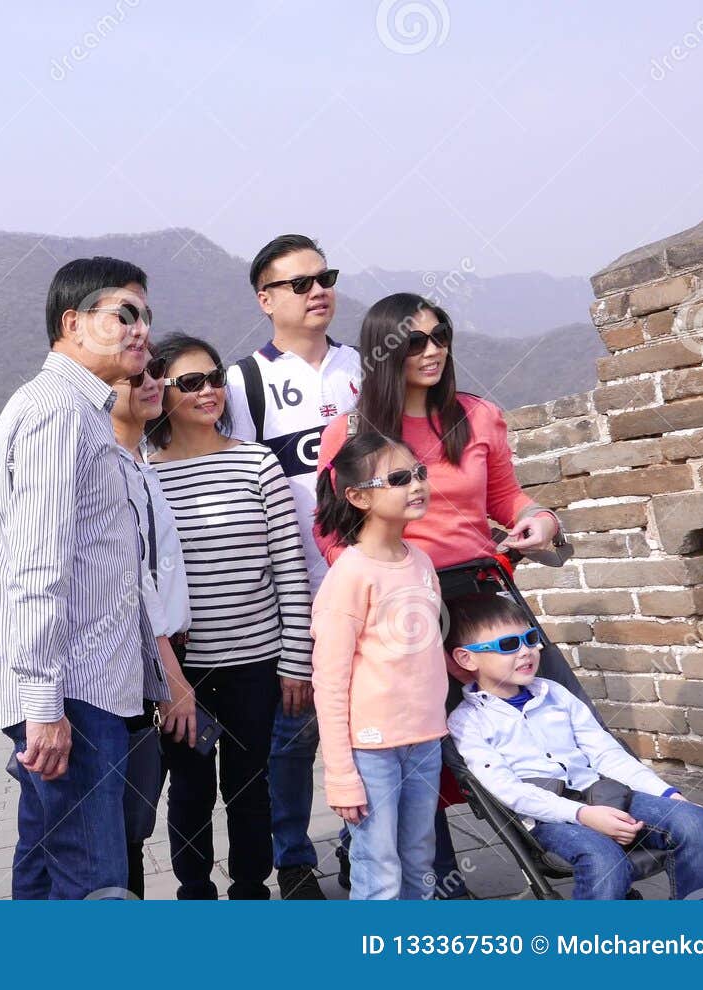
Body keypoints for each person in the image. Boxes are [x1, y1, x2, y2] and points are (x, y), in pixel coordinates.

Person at [316, 292, 564, 897]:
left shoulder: (477, 416)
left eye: (440, 336)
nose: (432, 351)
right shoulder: (352, 432)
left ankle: (577, 848)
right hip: (403, 604)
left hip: (483, 592)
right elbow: (329, 528)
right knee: (415, 742)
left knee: (541, 719)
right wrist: (378, 583)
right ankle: (435, 888)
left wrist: (540, 517)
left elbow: (506, 497)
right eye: (414, 341)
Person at [0, 256, 160, 899]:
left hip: (80, 691)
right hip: (74, 695)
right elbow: (38, 568)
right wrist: (44, 705)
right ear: (73, 323)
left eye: (146, 316)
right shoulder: (58, 411)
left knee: (44, 866)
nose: (141, 330)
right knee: (93, 884)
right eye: (125, 314)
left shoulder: (80, 412)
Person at [146, 333, 313, 900]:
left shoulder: (255, 462)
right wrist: (167, 678)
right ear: (161, 392)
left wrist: (296, 662)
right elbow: (144, 584)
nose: (209, 391)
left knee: (250, 786)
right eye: (190, 383)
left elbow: (288, 567)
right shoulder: (145, 476)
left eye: (214, 378)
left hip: (258, 661)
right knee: (189, 789)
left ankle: (251, 891)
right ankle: (194, 894)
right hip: (184, 672)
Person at [228, 233, 362, 899]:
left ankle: (364, 844)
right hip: (295, 588)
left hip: (369, 580)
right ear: (266, 299)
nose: (318, 291)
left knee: (373, 717)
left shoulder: (362, 366)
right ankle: (293, 855)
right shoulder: (244, 382)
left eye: (324, 277)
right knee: (291, 737)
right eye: (300, 283)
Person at [447, 594, 703, 900]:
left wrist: (670, 795)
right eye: (508, 645)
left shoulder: (556, 694)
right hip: (548, 816)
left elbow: (607, 754)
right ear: (467, 658)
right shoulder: (468, 722)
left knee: (694, 821)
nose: (527, 651)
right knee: (604, 858)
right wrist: (582, 814)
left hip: (603, 792)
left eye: (530, 638)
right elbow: (508, 790)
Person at [311, 432, 447, 900]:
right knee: (378, 865)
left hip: (424, 740)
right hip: (371, 749)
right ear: (358, 496)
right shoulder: (349, 575)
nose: (417, 485)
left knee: (419, 855)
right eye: (399, 478)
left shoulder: (422, 561)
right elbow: (328, 684)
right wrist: (342, 776)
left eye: (420, 474)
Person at [110, 346, 196, 899]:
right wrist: (171, 681)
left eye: (156, 375)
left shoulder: (140, 463)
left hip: (163, 660)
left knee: (132, 824)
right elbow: (132, 588)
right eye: (136, 377)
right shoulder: (108, 471)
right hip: (140, 671)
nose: (152, 383)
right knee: (124, 828)